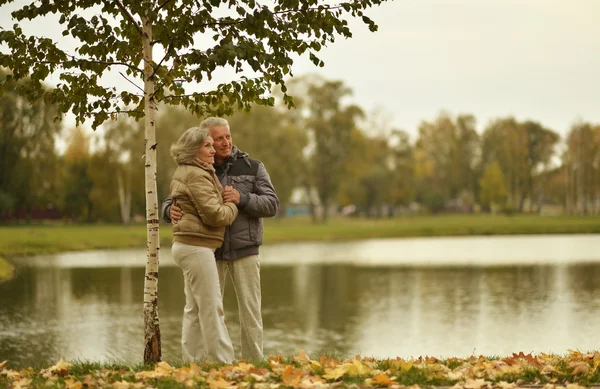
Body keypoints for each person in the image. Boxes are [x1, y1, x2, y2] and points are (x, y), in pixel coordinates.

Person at [162, 117, 279, 361]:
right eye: (217, 139)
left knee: (251, 313)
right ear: (205, 142)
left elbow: (272, 204)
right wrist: (167, 211)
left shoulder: (253, 166)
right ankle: (206, 365)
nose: (224, 143)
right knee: (206, 308)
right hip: (207, 250)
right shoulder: (198, 166)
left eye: (227, 136)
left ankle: (254, 364)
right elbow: (177, 196)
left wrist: (242, 199)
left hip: (245, 249)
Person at [169, 126, 239, 363]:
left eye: (212, 144)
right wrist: (232, 205)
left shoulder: (194, 171)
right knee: (212, 307)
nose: (213, 150)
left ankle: (193, 362)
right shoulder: (196, 174)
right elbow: (216, 215)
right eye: (207, 145)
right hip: (196, 247)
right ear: (193, 150)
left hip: (189, 246)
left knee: (195, 309)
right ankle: (223, 362)